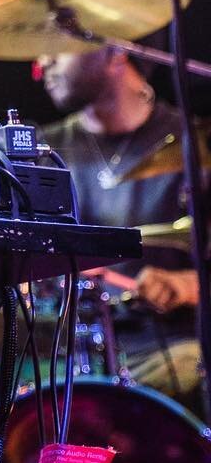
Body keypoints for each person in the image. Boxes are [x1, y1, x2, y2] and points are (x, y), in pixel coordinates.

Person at [40, 44, 203, 405]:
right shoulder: (41, 152)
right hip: (68, 357)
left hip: (175, 346)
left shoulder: (196, 146)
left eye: (56, 46)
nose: (44, 59)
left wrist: (187, 285)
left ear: (115, 51)